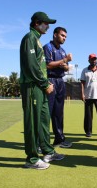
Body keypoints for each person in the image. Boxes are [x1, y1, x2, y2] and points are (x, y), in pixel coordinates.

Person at [19, 11, 64, 170]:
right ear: (37, 23)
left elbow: (40, 65)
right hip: (32, 86)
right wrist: (45, 83)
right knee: (32, 121)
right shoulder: (29, 38)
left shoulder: (36, 40)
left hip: (40, 86)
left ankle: (47, 151)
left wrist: (44, 84)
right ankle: (31, 159)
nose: (48, 26)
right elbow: (31, 66)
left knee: (44, 119)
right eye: (45, 23)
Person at [43, 27, 73, 148]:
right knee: (47, 112)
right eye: (62, 35)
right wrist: (64, 61)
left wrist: (64, 64)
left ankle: (59, 139)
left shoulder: (63, 50)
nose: (64, 38)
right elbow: (48, 65)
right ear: (55, 35)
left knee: (59, 112)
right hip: (50, 80)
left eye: (65, 36)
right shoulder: (48, 47)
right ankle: (43, 142)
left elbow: (66, 68)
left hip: (60, 81)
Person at [80, 53, 97, 137]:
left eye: (95, 59)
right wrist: (82, 94)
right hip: (88, 96)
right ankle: (88, 131)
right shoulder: (85, 70)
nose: (94, 61)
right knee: (88, 115)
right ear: (89, 60)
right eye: (92, 59)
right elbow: (82, 83)